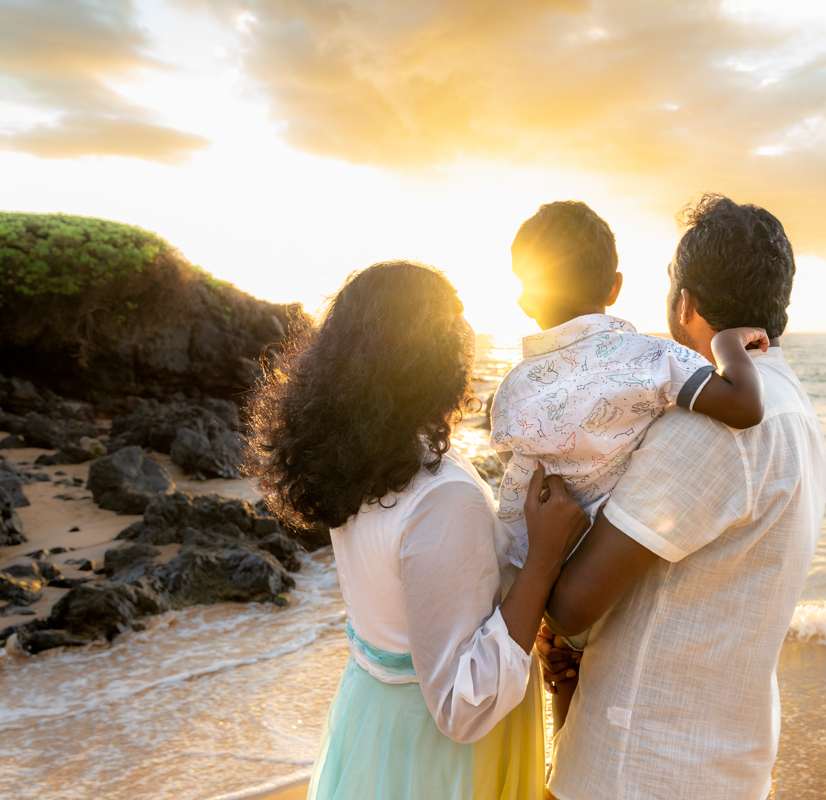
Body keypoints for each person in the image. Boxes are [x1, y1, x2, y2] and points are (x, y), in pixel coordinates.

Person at [244, 261, 590, 800]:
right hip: (442, 760)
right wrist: (544, 560)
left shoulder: (353, 460)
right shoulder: (440, 494)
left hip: (377, 719)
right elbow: (462, 704)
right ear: (434, 358)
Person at [538, 195, 826, 800]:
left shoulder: (706, 429)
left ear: (682, 305)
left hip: (640, 768)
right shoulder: (794, 405)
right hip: (728, 761)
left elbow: (571, 604)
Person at [490, 200, 769, 587]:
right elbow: (744, 406)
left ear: (525, 299)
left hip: (520, 569)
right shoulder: (653, 357)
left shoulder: (511, 387)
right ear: (615, 287)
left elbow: (509, 455)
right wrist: (727, 344)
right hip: (593, 572)